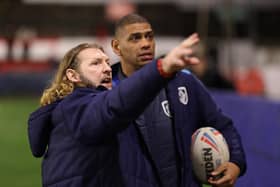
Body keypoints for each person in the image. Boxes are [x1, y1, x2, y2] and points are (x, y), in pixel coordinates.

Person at [28, 38, 203, 187]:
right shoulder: (76, 106)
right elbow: (114, 105)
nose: (107, 68)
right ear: (74, 76)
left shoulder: (75, 108)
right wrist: (161, 68)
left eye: (106, 62)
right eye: (95, 63)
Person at [111, 13, 246, 187]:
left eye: (149, 36)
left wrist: (236, 162)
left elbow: (222, 124)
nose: (145, 44)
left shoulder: (183, 82)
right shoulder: (106, 93)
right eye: (135, 38)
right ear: (116, 47)